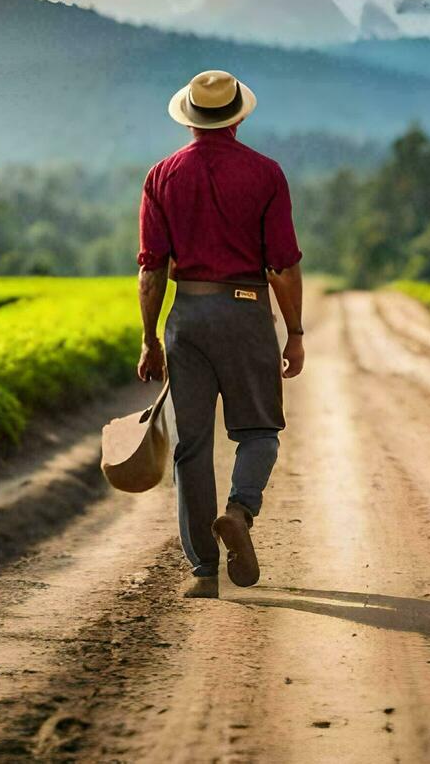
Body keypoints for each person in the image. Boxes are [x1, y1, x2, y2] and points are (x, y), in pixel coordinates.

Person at [136, 70, 305, 599]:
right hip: (246, 311)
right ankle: (239, 510)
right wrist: (294, 331)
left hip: (188, 314)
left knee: (192, 445)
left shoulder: (161, 175)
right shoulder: (266, 174)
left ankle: (204, 572)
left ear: (189, 116)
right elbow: (281, 265)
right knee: (258, 432)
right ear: (238, 117)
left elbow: (151, 269)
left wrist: (150, 338)